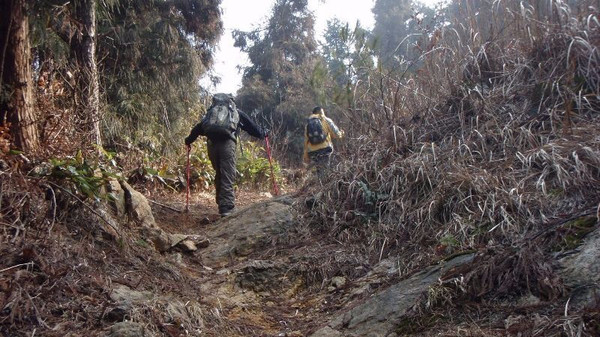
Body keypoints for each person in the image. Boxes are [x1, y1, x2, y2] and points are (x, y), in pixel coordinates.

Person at [185, 94, 266, 217]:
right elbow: (252, 128)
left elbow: (198, 128)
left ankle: (221, 203)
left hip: (212, 145)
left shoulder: (210, 114)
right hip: (227, 145)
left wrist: (188, 141)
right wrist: (263, 134)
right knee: (227, 174)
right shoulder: (236, 113)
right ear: (231, 102)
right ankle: (226, 208)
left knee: (219, 173)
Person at [303, 106, 344, 171]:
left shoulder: (308, 124)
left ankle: (318, 179)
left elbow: (306, 140)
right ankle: (324, 180)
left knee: (319, 169)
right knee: (324, 170)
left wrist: (306, 155)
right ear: (321, 112)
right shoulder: (326, 120)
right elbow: (336, 134)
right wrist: (341, 133)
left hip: (312, 151)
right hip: (325, 149)